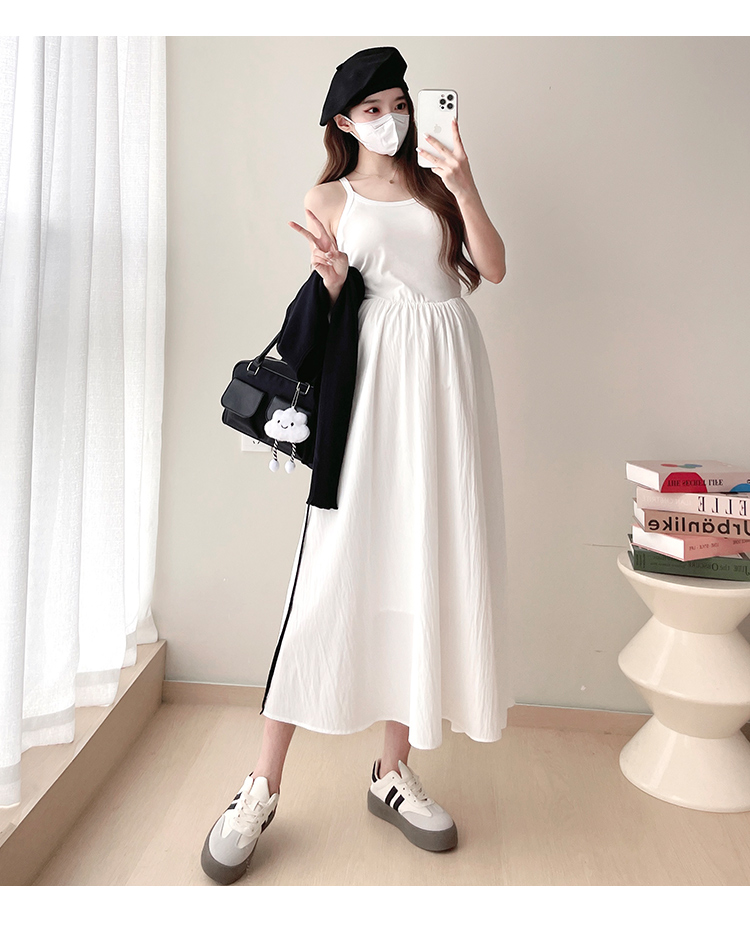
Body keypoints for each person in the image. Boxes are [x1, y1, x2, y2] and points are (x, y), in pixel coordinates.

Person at [201, 46, 513, 885]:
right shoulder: (329, 197)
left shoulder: (438, 183)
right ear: (343, 121)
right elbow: (329, 312)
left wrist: (465, 182)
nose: (391, 117)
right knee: (330, 575)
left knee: (426, 565)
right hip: (372, 392)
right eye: (371, 108)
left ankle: (391, 769)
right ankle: (261, 785)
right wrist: (334, 280)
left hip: (449, 386)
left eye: (398, 102)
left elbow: (491, 267)